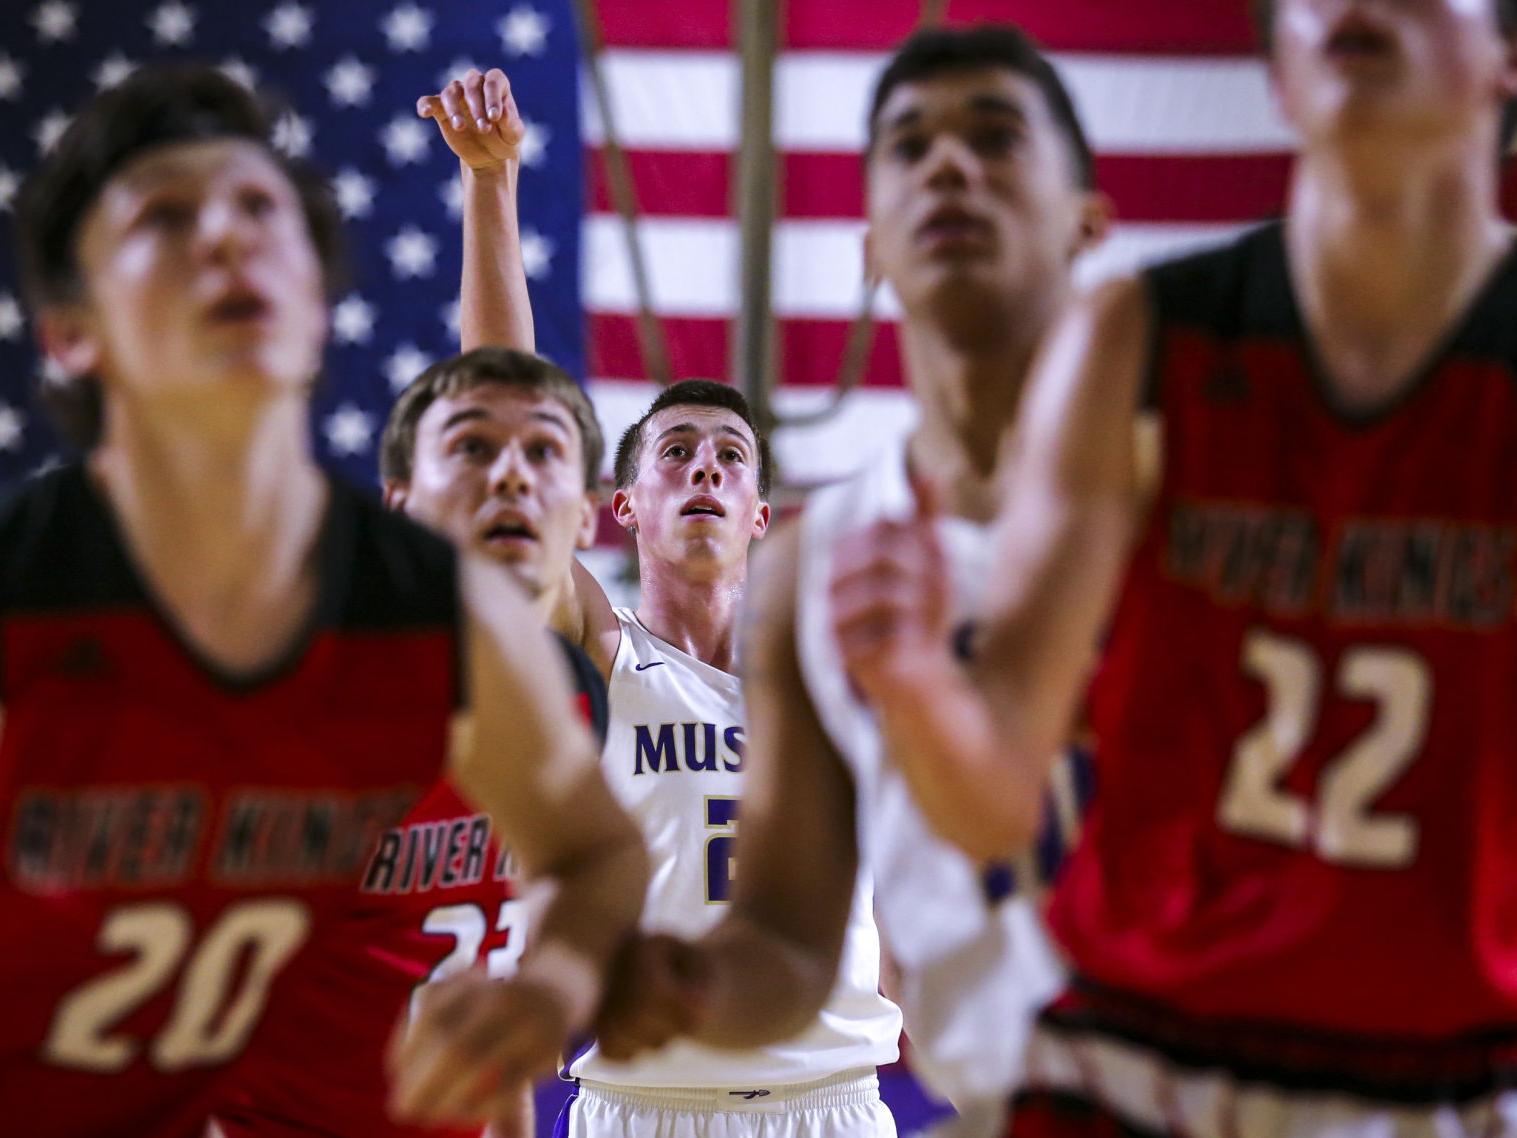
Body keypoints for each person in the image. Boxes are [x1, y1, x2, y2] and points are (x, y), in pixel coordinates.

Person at [827, 2, 1517, 1135]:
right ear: (1277, 78)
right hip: (1135, 1061)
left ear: (1503, 58)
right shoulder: (1137, 335)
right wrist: (914, 686)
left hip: (1453, 1071)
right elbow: (996, 800)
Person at [0, 65, 647, 1138]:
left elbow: (595, 855)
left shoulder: (438, 616)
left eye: (260, 209)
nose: (226, 236)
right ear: (72, 329)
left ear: (317, 303)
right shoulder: (29, 605)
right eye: (165, 217)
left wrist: (549, 984)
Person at [592, 23, 1107, 1135]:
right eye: (911, 144)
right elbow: (787, 944)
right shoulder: (817, 568)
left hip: (1221, 1068)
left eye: (994, 137)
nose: (950, 166)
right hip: (966, 1093)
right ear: (871, 245)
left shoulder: (1185, 488)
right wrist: (668, 985)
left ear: (1085, 223)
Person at [420, 66, 905, 1138]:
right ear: (621, 507)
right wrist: (492, 187)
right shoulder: (602, 649)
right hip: (640, 1104)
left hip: (831, 1105)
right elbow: (506, 415)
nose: (703, 467)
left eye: (729, 455)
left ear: (760, 513)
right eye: (675, 451)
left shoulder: (831, 674)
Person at [215, 345, 612, 1138]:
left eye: (544, 452)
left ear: (586, 514)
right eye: (471, 447)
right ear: (398, 501)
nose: (512, 476)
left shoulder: (571, 697)